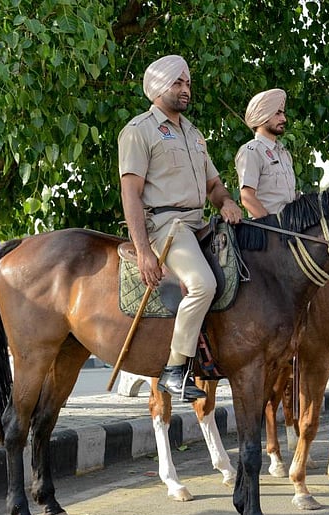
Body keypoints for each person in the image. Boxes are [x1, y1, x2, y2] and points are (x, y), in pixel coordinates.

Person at [119, 55, 242, 402]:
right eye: (178, 83)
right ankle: (175, 369)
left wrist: (227, 202)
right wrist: (144, 251)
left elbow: (214, 185)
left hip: (200, 221)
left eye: (187, 83)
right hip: (166, 226)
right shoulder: (138, 130)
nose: (186, 89)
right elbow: (131, 193)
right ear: (159, 87)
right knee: (202, 284)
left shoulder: (193, 133)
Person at [234, 88, 298, 218]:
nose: (284, 119)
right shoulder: (251, 151)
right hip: (268, 232)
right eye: (278, 114)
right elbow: (247, 197)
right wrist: (273, 227)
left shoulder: (284, 154)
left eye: (283, 113)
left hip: (292, 228)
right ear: (263, 116)